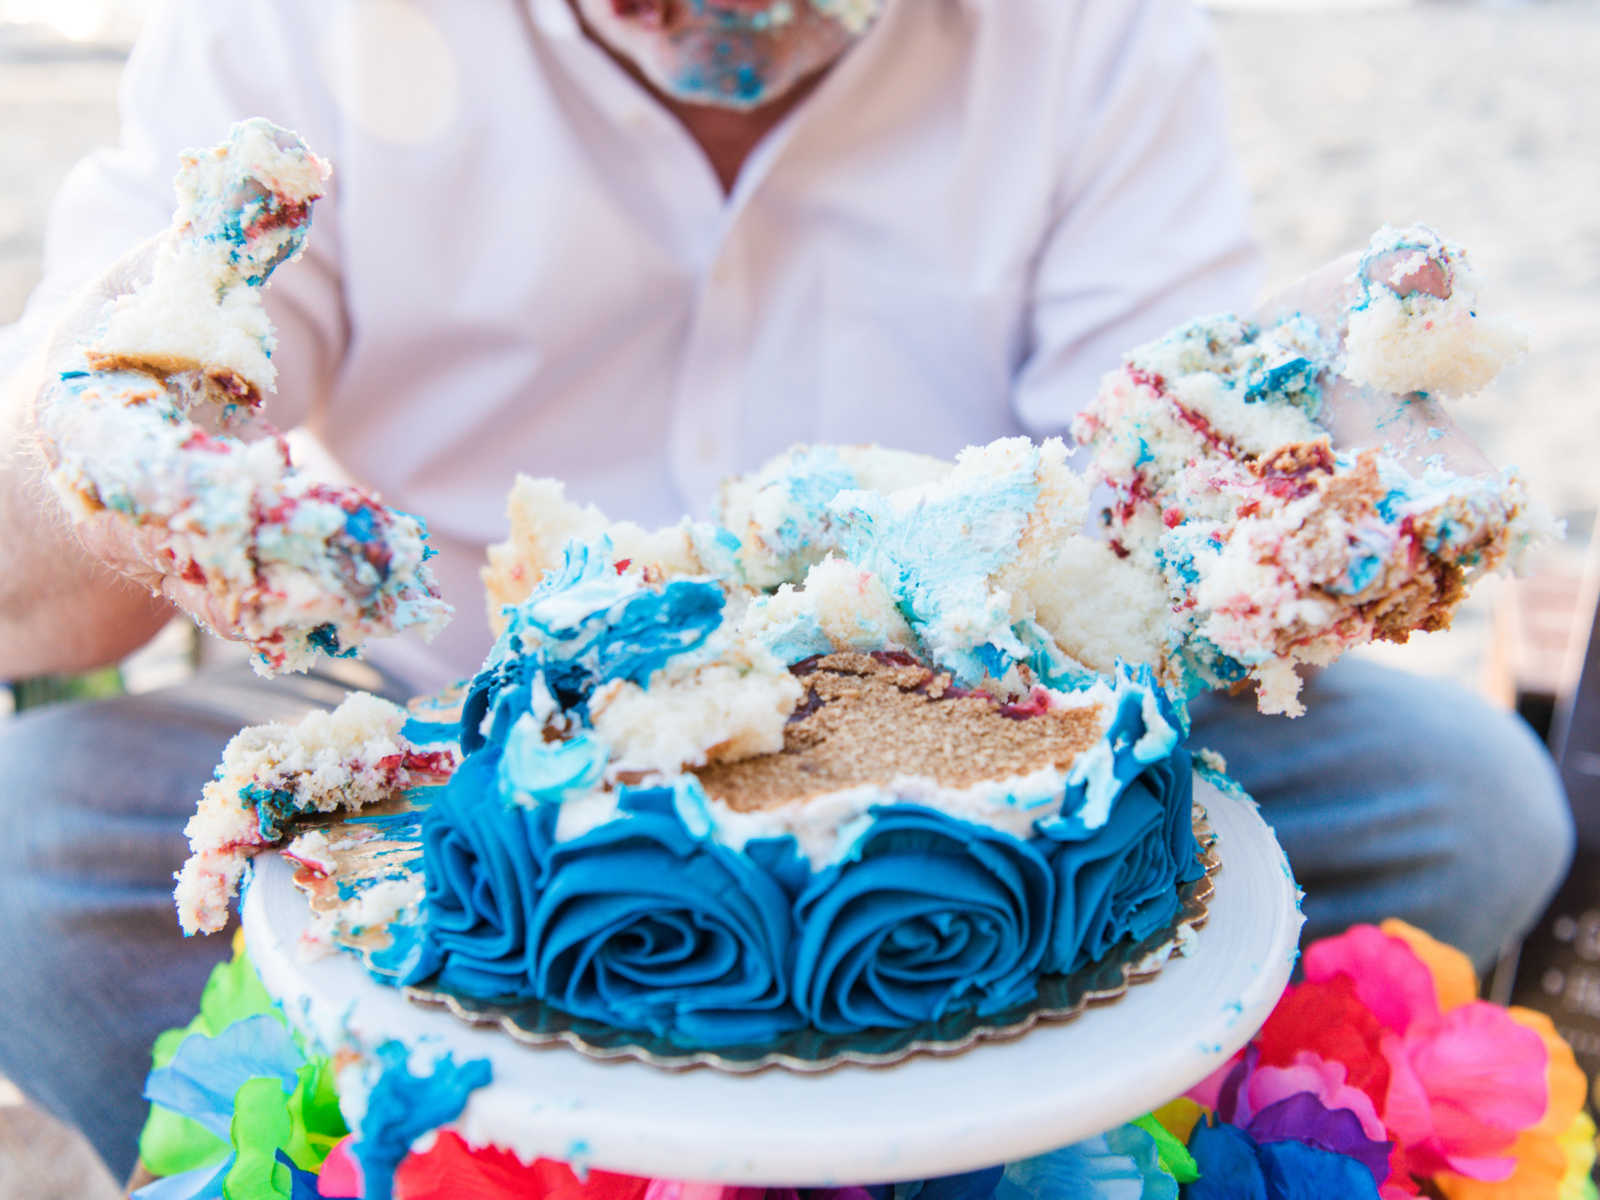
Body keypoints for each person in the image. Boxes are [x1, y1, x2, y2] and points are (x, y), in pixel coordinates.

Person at [0, 0, 1572, 1179]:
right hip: (451, 739)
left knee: (1461, 797)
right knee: (25, 845)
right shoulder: (306, 28)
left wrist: (1251, 483)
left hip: (973, 718)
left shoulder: (1093, 36)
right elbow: (48, 615)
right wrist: (107, 425)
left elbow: (1143, 513)